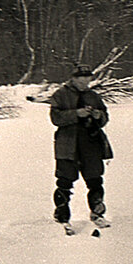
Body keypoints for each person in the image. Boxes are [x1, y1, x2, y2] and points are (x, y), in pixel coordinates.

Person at [50, 64, 112, 230]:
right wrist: (76, 114)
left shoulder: (94, 96)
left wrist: (99, 116)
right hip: (67, 144)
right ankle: (62, 216)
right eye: (81, 77)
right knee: (65, 181)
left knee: (95, 179)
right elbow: (55, 118)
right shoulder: (60, 95)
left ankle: (97, 213)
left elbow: (105, 117)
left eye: (88, 77)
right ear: (73, 78)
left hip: (91, 143)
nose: (85, 80)